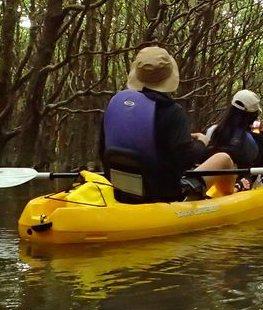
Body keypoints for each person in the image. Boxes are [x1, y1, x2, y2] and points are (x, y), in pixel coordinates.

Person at [99, 46, 236, 201]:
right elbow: (185, 160)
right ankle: (230, 199)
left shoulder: (115, 105)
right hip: (161, 196)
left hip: (118, 191)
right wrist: (202, 144)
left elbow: (102, 151)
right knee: (224, 159)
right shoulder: (172, 111)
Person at [205, 89, 263, 189]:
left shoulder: (212, 131)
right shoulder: (259, 142)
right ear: (253, 116)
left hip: (212, 184)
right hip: (243, 186)